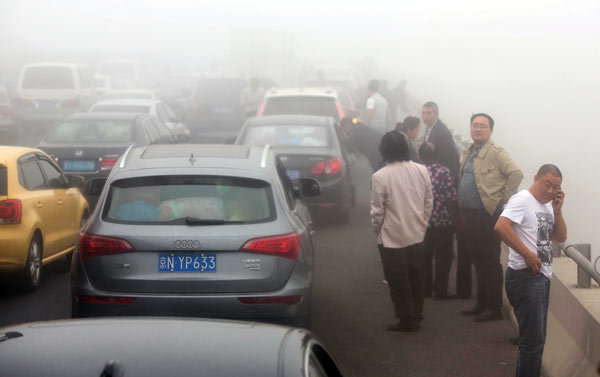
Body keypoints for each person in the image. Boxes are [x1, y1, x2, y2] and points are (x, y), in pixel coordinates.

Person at [495, 164, 566, 377]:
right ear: (536, 178)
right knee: (532, 344)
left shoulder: (547, 206)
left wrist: (558, 210)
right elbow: (501, 226)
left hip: (541, 278)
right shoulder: (522, 200)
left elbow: (561, 238)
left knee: (536, 342)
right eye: (547, 184)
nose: (551, 191)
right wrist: (526, 253)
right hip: (525, 278)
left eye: (556, 187)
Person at [459, 113, 523, 322]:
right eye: (475, 125)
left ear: (491, 130)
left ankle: (493, 307)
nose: (477, 129)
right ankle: (481, 303)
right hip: (471, 216)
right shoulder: (470, 151)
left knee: (490, 261)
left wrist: (502, 199)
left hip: (487, 216)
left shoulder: (496, 152)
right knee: (478, 259)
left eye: (483, 126)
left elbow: (516, 173)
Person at [371, 131, 433, 332]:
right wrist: (422, 224)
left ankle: (407, 319)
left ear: (384, 150)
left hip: (391, 237)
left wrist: (377, 231)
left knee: (398, 280)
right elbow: (428, 201)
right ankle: (418, 313)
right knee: (416, 276)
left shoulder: (380, 176)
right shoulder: (421, 170)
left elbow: (377, 212)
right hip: (416, 233)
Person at [419, 142, 458, 299]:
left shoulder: (417, 172)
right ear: (437, 155)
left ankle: (425, 289)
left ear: (421, 156)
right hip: (443, 221)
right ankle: (440, 290)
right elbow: (452, 197)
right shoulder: (444, 171)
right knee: (443, 256)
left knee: (425, 256)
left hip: (422, 222)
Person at [421, 101, 460, 177]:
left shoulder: (442, 131)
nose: (425, 116)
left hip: (441, 176)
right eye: (423, 113)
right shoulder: (429, 128)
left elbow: (451, 155)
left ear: (436, 115)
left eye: (428, 113)